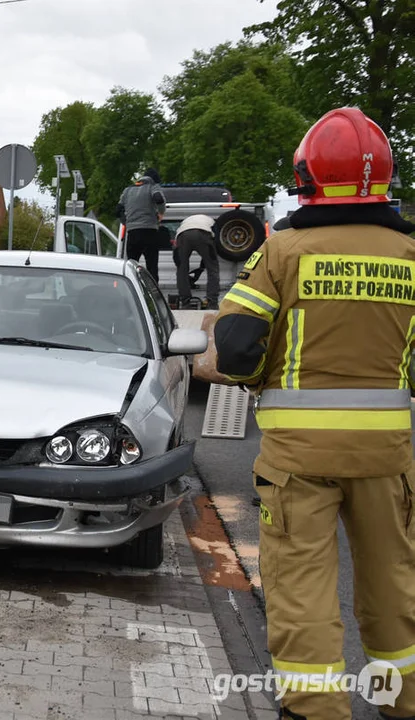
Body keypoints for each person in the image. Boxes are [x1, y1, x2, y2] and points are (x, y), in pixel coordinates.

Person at [214, 107, 415, 720]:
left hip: (298, 459)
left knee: (302, 586)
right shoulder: (410, 254)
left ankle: (317, 709)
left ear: (306, 177)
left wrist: (252, 380)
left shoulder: (285, 253)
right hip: (387, 458)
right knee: (393, 584)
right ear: (382, 176)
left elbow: (238, 348)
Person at [116, 168, 166, 281]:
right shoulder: (153, 186)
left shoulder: (127, 190)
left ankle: (133, 289)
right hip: (149, 231)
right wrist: (161, 213)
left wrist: (126, 222)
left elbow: (118, 210)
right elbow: (158, 198)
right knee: (152, 265)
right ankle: (153, 293)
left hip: (133, 232)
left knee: (132, 266)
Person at [173, 214, 219, 309]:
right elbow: (215, 244)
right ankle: (212, 302)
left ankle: (185, 303)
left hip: (182, 235)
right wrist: (207, 263)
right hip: (203, 233)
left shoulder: (185, 222)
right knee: (212, 270)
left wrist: (179, 263)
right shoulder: (212, 222)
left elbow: (176, 255)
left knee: (182, 270)